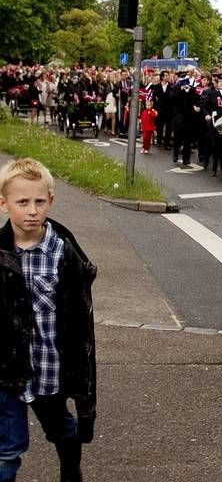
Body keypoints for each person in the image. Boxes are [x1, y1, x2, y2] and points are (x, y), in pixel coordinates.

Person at [0, 158, 97, 482]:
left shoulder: (64, 255)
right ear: (4, 203)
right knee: (6, 449)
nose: (32, 210)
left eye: (39, 201)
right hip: (6, 372)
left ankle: (71, 470)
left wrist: (84, 394)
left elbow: (81, 328)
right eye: (22, 202)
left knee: (61, 429)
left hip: (49, 370)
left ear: (50, 201)